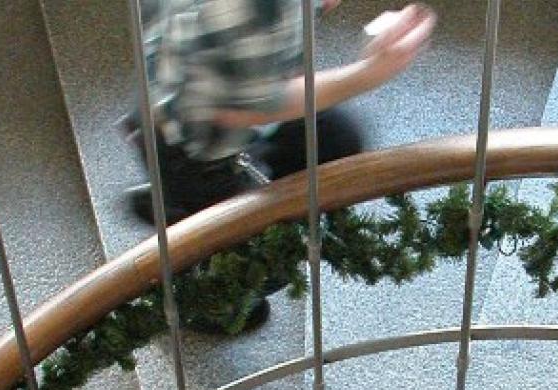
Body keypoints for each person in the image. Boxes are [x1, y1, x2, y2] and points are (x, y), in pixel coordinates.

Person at [120, 0, 437, 330]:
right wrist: (370, 73)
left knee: (335, 140)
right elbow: (251, 108)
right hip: (193, 149)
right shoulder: (251, 10)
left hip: (184, 92)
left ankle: (173, 203)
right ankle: (197, 305)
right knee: (275, 258)